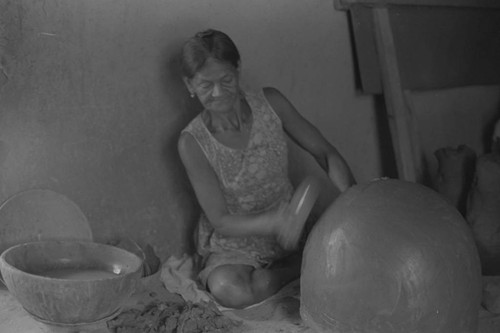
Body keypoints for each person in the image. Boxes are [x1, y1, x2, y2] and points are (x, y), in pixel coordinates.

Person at [178, 29, 355, 309]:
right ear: (189, 85)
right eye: (204, 86)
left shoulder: (270, 103)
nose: (218, 93)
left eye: (226, 80)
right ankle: (300, 269)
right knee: (229, 289)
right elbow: (221, 220)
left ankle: (299, 265)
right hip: (237, 241)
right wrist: (275, 222)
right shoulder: (192, 142)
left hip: (294, 223)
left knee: (352, 250)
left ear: (238, 69)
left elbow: (325, 152)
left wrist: (354, 197)